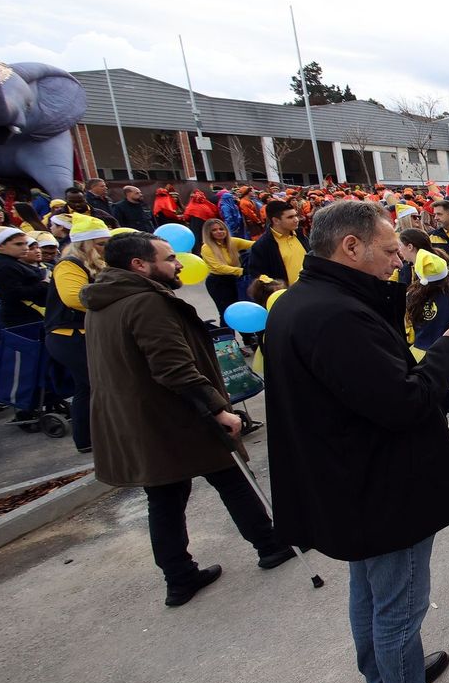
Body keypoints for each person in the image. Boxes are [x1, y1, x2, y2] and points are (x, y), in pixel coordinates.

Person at [263, 200, 449, 683]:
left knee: (370, 589)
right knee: (400, 603)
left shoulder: (306, 302)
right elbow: (402, 400)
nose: (399, 263)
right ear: (351, 246)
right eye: (391, 252)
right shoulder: (336, 315)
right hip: (383, 486)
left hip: (352, 480)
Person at [79, 231, 293, 606]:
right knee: (229, 476)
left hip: (142, 418)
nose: (179, 264)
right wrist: (217, 408)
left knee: (165, 496)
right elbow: (173, 367)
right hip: (174, 415)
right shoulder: (146, 302)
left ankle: (180, 576)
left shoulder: (104, 300)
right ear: (139, 265)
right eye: (169, 258)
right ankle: (268, 545)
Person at [42, 215, 111, 453]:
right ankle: (93, 439)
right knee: (98, 384)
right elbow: (75, 297)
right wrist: (116, 300)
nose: (105, 248)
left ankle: (87, 440)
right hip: (68, 335)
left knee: (88, 386)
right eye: (100, 244)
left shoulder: (97, 264)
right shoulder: (69, 264)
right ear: (85, 244)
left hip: (82, 333)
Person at [0, 226, 47, 327]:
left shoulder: (11, 262)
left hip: (29, 317)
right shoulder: (4, 266)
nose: (25, 248)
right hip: (23, 320)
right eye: (18, 244)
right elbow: (14, 293)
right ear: (1, 246)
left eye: (26, 243)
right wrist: (44, 284)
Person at [199, 219, 254, 319]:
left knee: (240, 310)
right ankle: (227, 334)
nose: (219, 232)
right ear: (208, 233)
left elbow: (256, 245)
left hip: (235, 280)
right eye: (214, 230)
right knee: (226, 313)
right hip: (218, 283)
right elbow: (219, 267)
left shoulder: (232, 241)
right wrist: (242, 271)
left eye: (221, 229)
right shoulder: (206, 248)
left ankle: (247, 335)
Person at [243, 201, 306, 288]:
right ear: (276, 220)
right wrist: (275, 286)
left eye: (296, 215)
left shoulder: (300, 235)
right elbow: (257, 275)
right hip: (287, 297)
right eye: (290, 217)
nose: (296, 220)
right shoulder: (262, 246)